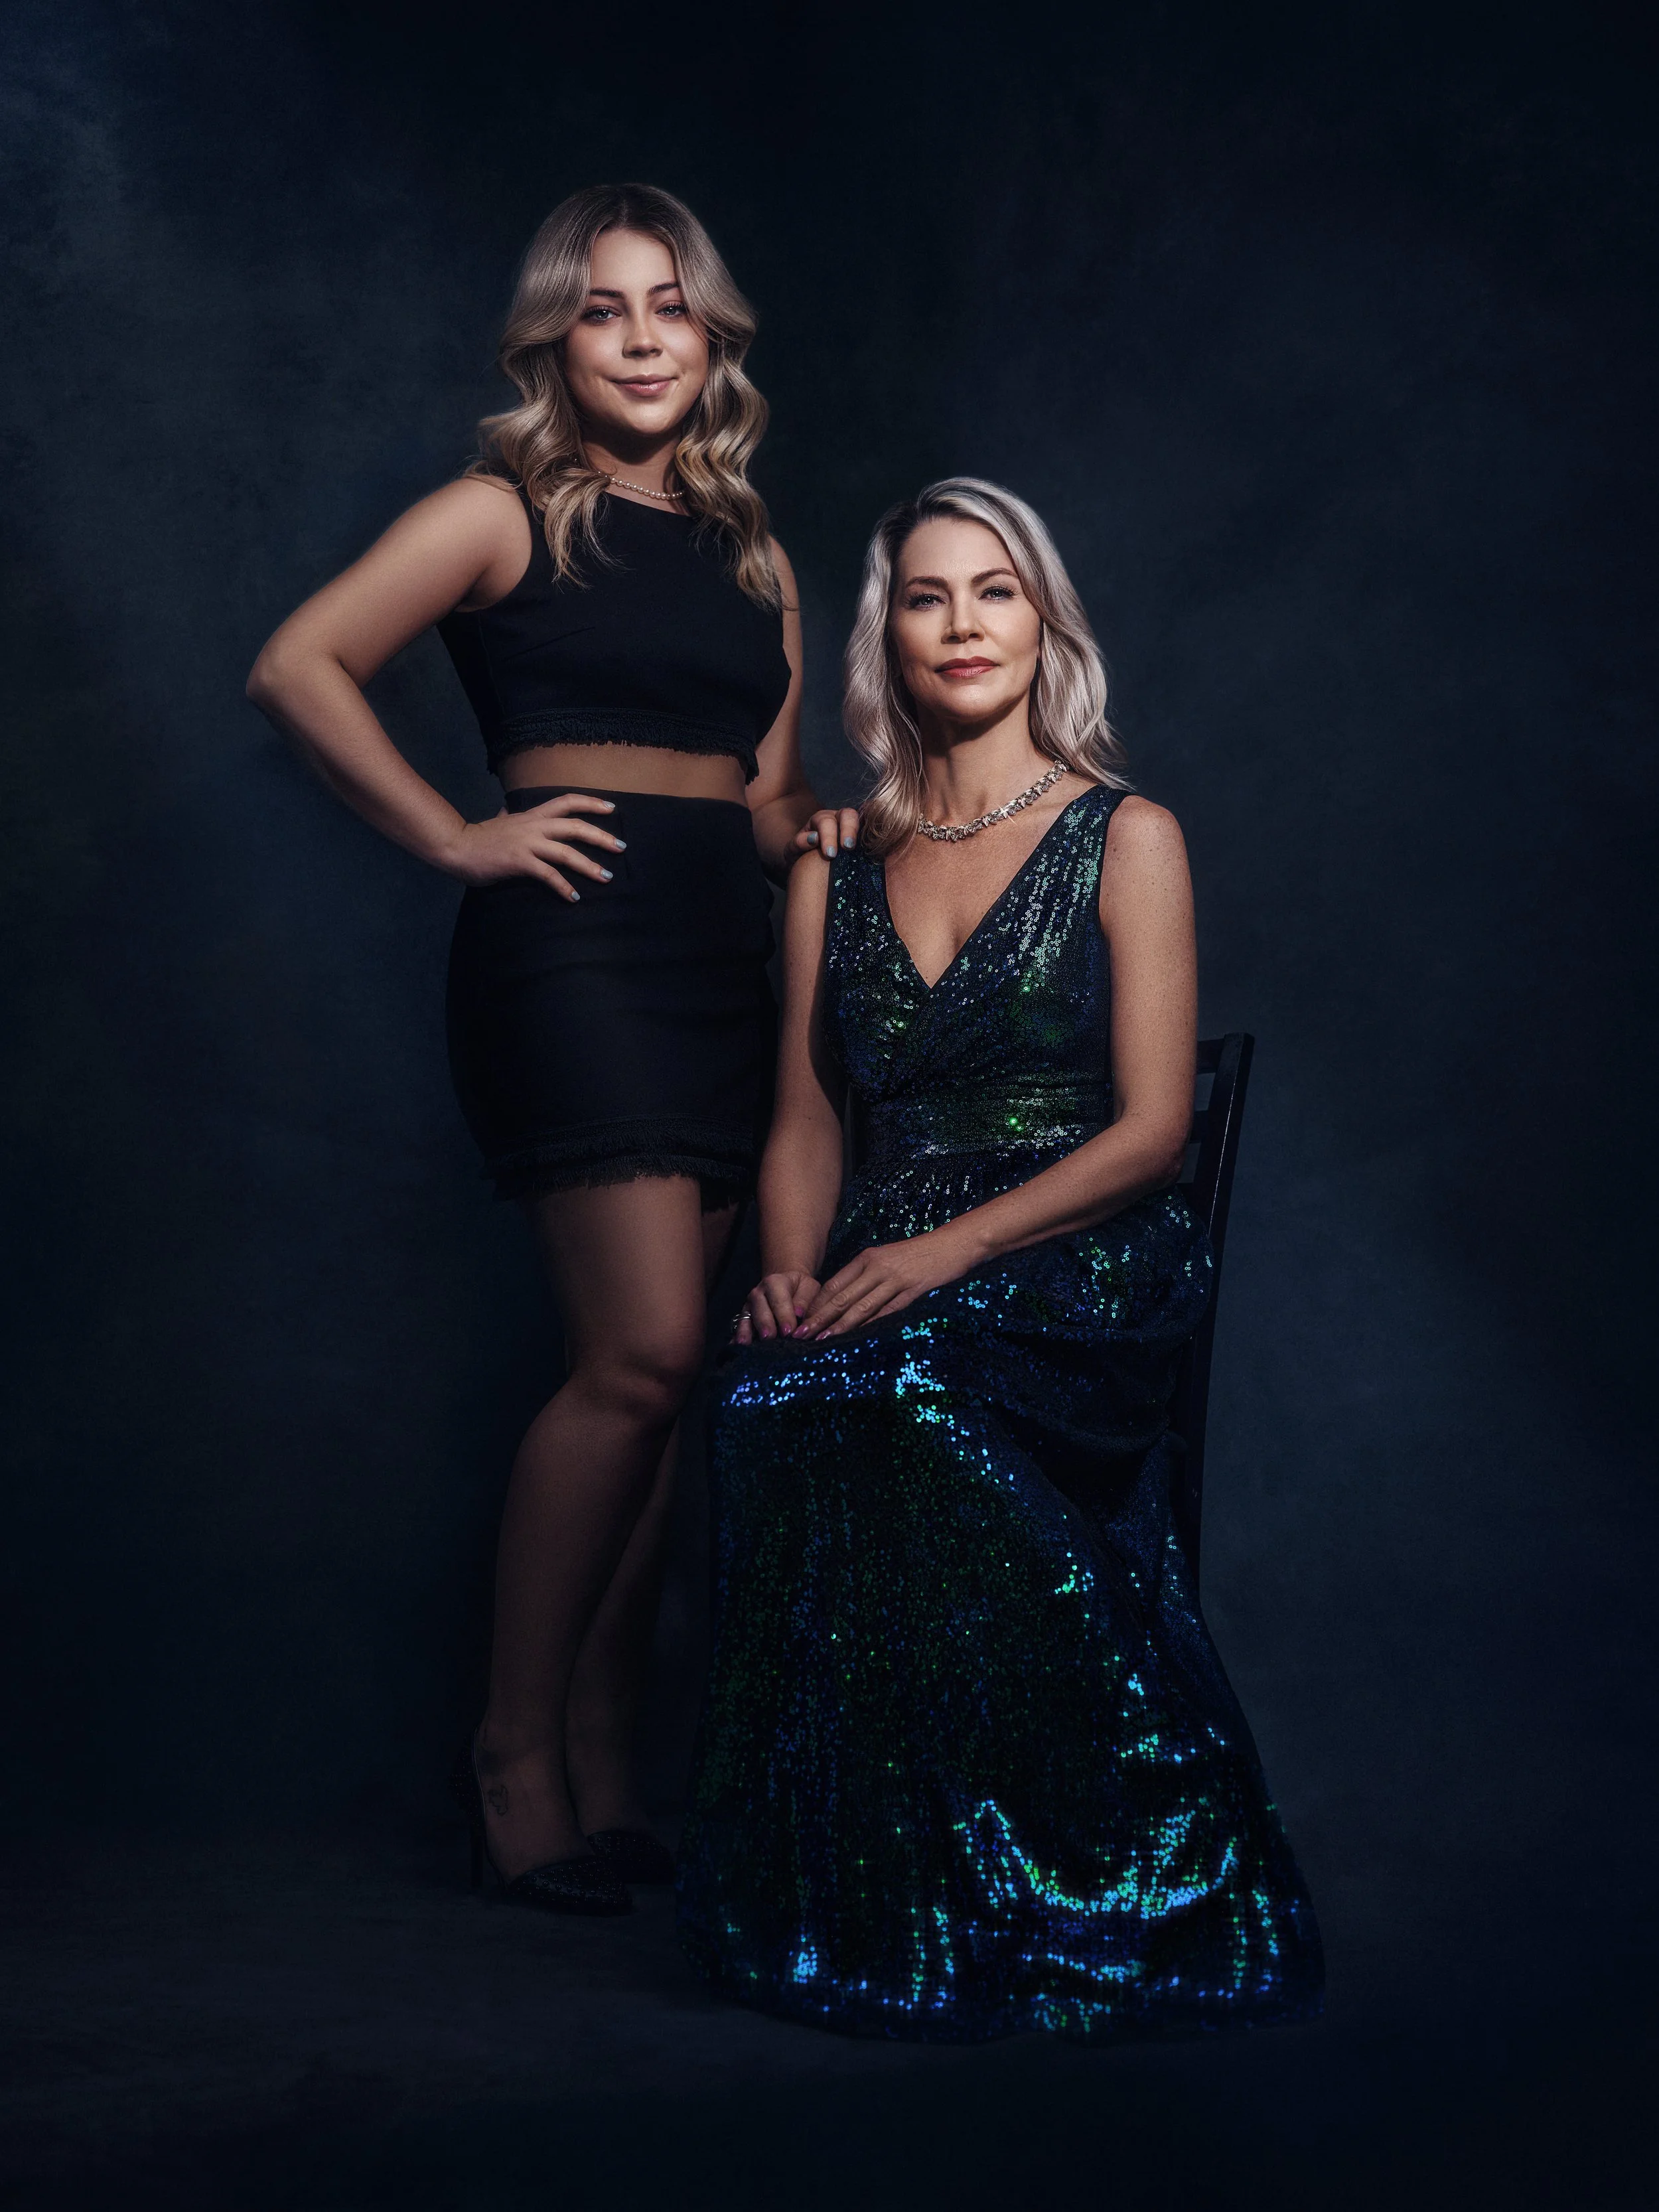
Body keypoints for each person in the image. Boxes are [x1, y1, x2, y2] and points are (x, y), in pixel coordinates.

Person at [248, 184, 855, 1915]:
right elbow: (296, 664)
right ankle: (511, 1752)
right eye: (605, 310)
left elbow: (754, 800)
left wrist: (855, 836)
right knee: (642, 1355)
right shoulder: (498, 512)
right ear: (554, 339)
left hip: (719, 961)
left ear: (712, 336)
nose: (647, 338)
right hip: (570, 955)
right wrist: (453, 834)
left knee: (688, 1395)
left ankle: (597, 1749)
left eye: (673, 307)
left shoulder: (756, 555)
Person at [678, 478, 1323, 2037]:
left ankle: (1107, 1867)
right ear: (884, 639)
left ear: (1044, 626)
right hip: (891, 1253)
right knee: (775, 1389)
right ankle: (872, 1900)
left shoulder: (1127, 832)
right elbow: (801, 1119)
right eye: (924, 597)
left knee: (892, 1380)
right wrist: (786, 1270)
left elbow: (1152, 1129)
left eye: (994, 593)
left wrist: (944, 1251)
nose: (960, 625)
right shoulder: (834, 860)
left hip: (1079, 1257)